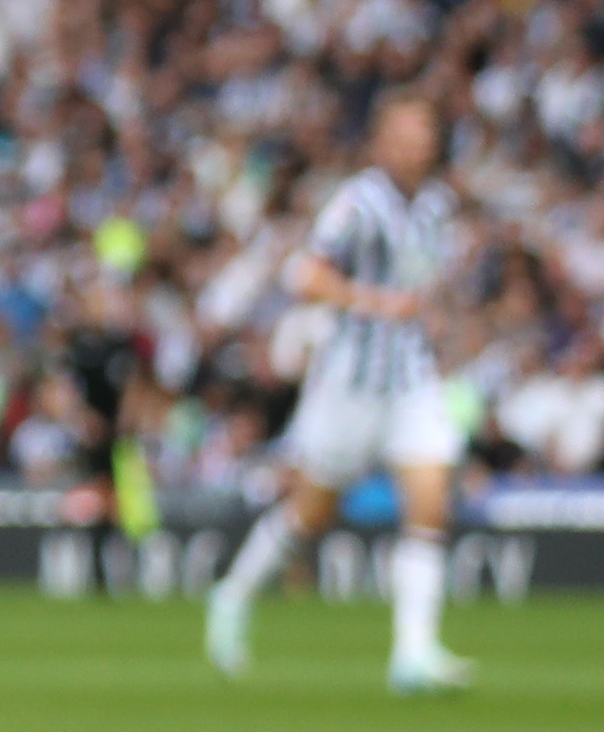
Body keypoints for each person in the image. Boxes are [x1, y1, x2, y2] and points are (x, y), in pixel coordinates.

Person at [202, 95, 475, 694]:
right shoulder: (358, 202)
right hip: (350, 381)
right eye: (402, 135)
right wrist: (375, 303)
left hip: (411, 378)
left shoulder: (436, 206)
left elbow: (425, 285)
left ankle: (414, 654)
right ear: (380, 143)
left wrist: (433, 318)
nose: (413, 147)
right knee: (311, 512)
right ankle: (234, 595)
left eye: (422, 135)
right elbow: (305, 273)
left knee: (430, 504)